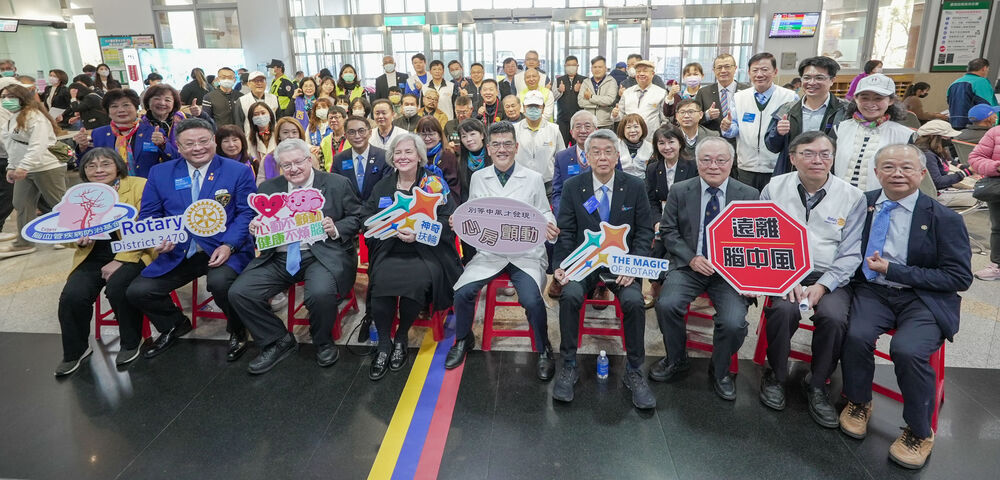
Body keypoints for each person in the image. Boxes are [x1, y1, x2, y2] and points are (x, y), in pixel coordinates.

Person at [839, 144, 972, 470]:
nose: (897, 174)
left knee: (908, 349)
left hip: (923, 298)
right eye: (888, 167)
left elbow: (959, 277)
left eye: (906, 168)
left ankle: (918, 430)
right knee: (854, 335)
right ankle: (858, 401)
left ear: (922, 173)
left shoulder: (943, 218)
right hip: (873, 291)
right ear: (876, 172)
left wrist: (894, 270)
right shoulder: (863, 204)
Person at [126, 118, 257, 361]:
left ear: (214, 141)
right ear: (178, 146)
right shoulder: (161, 173)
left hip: (224, 247)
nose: (197, 148)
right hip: (178, 251)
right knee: (138, 291)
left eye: (203, 141)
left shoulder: (237, 171)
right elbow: (149, 214)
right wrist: (159, 237)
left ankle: (238, 329)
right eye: (189, 143)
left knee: (221, 284)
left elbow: (246, 214)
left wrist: (229, 245)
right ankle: (174, 324)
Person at [757, 131, 865, 426]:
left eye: (825, 154)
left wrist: (824, 284)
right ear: (793, 158)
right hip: (784, 270)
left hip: (830, 274)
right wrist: (784, 276)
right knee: (783, 310)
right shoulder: (774, 188)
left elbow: (851, 253)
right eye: (808, 154)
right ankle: (776, 375)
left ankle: (817, 383)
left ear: (833, 157)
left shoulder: (852, 196)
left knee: (833, 317)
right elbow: (762, 239)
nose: (818, 160)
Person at [230, 138, 362, 374]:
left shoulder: (336, 183)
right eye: (286, 165)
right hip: (279, 256)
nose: (293, 169)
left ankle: (323, 341)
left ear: (309, 160)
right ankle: (277, 339)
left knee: (320, 293)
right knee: (240, 292)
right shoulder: (269, 189)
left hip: (321, 253)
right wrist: (255, 228)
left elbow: (357, 217)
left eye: (298, 162)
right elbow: (260, 221)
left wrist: (335, 227)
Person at [550, 128, 655, 409]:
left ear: (617, 156)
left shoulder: (635, 185)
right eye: (595, 152)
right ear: (586, 157)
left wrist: (633, 267)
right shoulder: (574, 186)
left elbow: (644, 231)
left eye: (608, 152)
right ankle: (568, 364)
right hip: (584, 262)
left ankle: (634, 369)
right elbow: (566, 231)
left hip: (622, 265)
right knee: (570, 296)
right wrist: (561, 266)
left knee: (634, 302)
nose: (602, 157)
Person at [446, 120, 558, 376]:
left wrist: (549, 225)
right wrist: (459, 220)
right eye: (496, 145)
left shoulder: (533, 178)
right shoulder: (479, 177)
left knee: (532, 299)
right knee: (462, 292)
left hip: (525, 254)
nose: (502, 149)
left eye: (507, 144)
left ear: (516, 147)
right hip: (491, 253)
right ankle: (463, 339)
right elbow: (473, 211)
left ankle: (543, 347)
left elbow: (543, 211)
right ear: (488, 148)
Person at [652, 136, 759, 400]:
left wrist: (751, 279)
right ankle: (676, 358)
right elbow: (668, 231)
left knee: (734, 322)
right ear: (697, 162)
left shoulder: (749, 195)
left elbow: (757, 242)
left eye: (721, 160)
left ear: (732, 162)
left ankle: (720, 370)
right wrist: (691, 258)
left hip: (730, 273)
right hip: (689, 265)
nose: (713, 166)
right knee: (667, 305)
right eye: (706, 160)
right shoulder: (680, 190)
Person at [362, 132, 462, 380]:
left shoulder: (434, 185)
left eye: (409, 152)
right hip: (389, 249)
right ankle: (384, 344)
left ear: (419, 156)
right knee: (380, 282)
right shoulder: (383, 186)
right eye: (398, 152)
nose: (403, 157)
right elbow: (366, 217)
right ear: (392, 157)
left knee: (416, 283)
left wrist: (419, 233)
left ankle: (401, 337)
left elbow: (448, 221)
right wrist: (385, 228)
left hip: (426, 250)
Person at [54, 148, 155, 375]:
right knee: (72, 296)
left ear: (118, 166)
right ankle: (76, 350)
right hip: (92, 257)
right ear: (84, 171)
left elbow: (147, 229)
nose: (98, 170)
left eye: (105, 164)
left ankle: (131, 342)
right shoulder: (78, 195)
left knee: (118, 288)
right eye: (91, 166)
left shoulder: (139, 186)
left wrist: (121, 260)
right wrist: (77, 241)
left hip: (133, 252)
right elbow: (65, 235)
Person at [0, 84, 66, 258]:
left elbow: (38, 144)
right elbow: (12, 146)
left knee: (59, 202)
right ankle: (24, 242)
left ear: (21, 97)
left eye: (10, 96)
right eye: (3, 97)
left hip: (46, 166)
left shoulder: (35, 116)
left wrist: (24, 166)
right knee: (21, 203)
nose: (6, 100)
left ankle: (70, 234)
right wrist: (11, 166)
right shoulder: (12, 118)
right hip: (23, 169)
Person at [721, 52, 799, 191]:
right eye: (755, 70)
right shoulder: (739, 97)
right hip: (746, 166)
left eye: (764, 70)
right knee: (747, 202)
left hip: (776, 167)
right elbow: (734, 128)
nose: (759, 74)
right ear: (749, 73)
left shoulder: (789, 97)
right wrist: (727, 127)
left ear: (775, 72)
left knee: (773, 202)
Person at [766, 56, 848, 175]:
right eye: (807, 78)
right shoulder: (787, 109)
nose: (812, 82)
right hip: (792, 174)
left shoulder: (845, 112)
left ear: (832, 80)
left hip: (829, 176)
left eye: (819, 78)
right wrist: (778, 133)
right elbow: (772, 147)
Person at [833, 74, 915, 190]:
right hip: (841, 196)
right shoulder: (840, 128)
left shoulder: (904, 135)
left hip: (881, 199)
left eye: (878, 98)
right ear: (856, 99)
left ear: (891, 100)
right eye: (864, 98)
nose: (871, 104)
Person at [73, 88, 173, 178]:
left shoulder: (152, 132)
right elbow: (85, 165)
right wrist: (82, 147)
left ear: (136, 108)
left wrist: (163, 145)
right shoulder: (99, 133)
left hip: (145, 185)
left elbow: (173, 159)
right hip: (111, 187)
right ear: (108, 112)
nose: (121, 110)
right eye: (114, 106)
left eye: (126, 105)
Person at [513, 90, 564, 195]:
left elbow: (561, 156)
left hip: (548, 183)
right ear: (524, 108)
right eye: (530, 106)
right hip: (520, 182)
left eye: (537, 106)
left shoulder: (554, 129)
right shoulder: (514, 129)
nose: (533, 109)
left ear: (543, 108)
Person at [551, 110, 598, 221]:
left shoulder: (606, 155)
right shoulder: (562, 157)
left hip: (599, 216)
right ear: (571, 132)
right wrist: (564, 215)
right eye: (578, 126)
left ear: (596, 130)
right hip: (569, 217)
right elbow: (557, 192)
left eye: (587, 126)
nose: (583, 130)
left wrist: (589, 213)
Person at [645, 125, 697, 225]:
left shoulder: (693, 166)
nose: (667, 147)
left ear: (680, 143)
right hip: (662, 220)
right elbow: (651, 200)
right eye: (662, 143)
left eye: (671, 142)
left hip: (688, 220)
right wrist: (657, 221)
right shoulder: (652, 168)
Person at [332, 114, 390, 202]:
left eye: (361, 131)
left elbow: (386, 189)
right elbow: (336, 189)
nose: (357, 136)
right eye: (351, 132)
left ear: (370, 133)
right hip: (348, 209)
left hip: (376, 208)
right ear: (346, 136)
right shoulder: (339, 159)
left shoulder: (383, 156)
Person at [969, 124, 1000, 280]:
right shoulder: (995, 132)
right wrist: (996, 167)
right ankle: (997, 265)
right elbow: (975, 158)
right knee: (998, 228)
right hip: (997, 187)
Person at [695, 53, 749, 140]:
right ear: (714, 70)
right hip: (712, 141)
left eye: (727, 67)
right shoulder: (703, 92)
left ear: (735, 68)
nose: (723, 71)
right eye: (719, 67)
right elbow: (694, 119)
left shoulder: (746, 91)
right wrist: (707, 115)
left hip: (739, 141)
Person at [611, 60, 666, 142]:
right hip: (629, 138)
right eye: (638, 71)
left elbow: (665, 120)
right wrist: (615, 114)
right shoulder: (627, 92)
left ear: (653, 74)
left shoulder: (661, 93)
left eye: (645, 71)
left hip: (651, 140)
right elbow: (620, 116)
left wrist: (660, 138)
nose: (641, 74)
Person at [915, 120, 972, 191]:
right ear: (936, 137)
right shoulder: (927, 155)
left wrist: (969, 168)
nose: (950, 138)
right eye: (947, 136)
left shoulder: (938, 150)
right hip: (939, 192)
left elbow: (951, 162)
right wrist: (967, 172)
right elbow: (937, 182)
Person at [415, 115, 460, 198]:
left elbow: (454, 186)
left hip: (444, 200)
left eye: (431, 134)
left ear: (439, 136)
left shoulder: (448, 156)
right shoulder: (415, 155)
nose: (427, 138)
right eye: (423, 134)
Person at [947, 58, 997, 129]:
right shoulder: (981, 82)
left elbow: (949, 103)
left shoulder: (954, 83)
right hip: (974, 127)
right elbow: (986, 106)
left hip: (954, 124)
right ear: (984, 68)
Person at [260, 117, 309, 183]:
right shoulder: (268, 159)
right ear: (279, 136)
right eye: (285, 132)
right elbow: (261, 186)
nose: (290, 136)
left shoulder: (308, 156)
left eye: (294, 132)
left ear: (300, 135)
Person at [455, 118, 491, 204]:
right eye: (464, 136)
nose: (469, 139)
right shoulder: (459, 162)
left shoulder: (493, 157)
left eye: (472, 134)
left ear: (482, 135)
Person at [577, 56, 618, 130]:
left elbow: (609, 100)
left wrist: (591, 97)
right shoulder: (586, 82)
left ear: (605, 68)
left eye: (600, 67)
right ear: (591, 69)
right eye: (595, 67)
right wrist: (600, 104)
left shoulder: (611, 81)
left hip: (606, 124)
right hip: (588, 123)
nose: (597, 69)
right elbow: (581, 102)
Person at [236, 71, 280, 137]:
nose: (259, 83)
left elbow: (279, 119)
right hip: (251, 139)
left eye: (262, 81)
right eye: (255, 81)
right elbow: (239, 125)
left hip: (272, 138)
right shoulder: (242, 101)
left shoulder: (274, 98)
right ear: (248, 84)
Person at [554, 56, 586, 144]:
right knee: (561, 145)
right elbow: (553, 98)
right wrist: (559, 90)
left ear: (577, 66)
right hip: (562, 120)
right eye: (568, 65)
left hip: (579, 121)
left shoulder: (584, 80)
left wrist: (580, 90)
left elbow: (588, 99)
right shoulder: (559, 80)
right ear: (565, 66)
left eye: (573, 65)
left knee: (578, 145)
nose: (571, 67)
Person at [246, 101, 277, 180]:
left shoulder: (279, 133)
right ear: (251, 119)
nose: (260, 116)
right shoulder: (248, 138)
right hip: (260, 175)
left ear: (270, 115)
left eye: (263, 113)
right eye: (256, 114)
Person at [616, 113, 652, 177]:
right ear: (623, 130)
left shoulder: (650, 148)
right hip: (620, 179)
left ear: (642, 128)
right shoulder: (616, 146)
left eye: (636, 127)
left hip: (642, 180)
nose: (632, 130)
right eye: (628, 127)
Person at [319, 106, 350, 171]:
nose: (333, 120)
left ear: (345, 119)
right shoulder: (325, 140)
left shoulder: (352, 138)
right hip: (330, 175)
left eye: (336, 117)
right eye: (330, 118)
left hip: (348, 174)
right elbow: (321, 164)